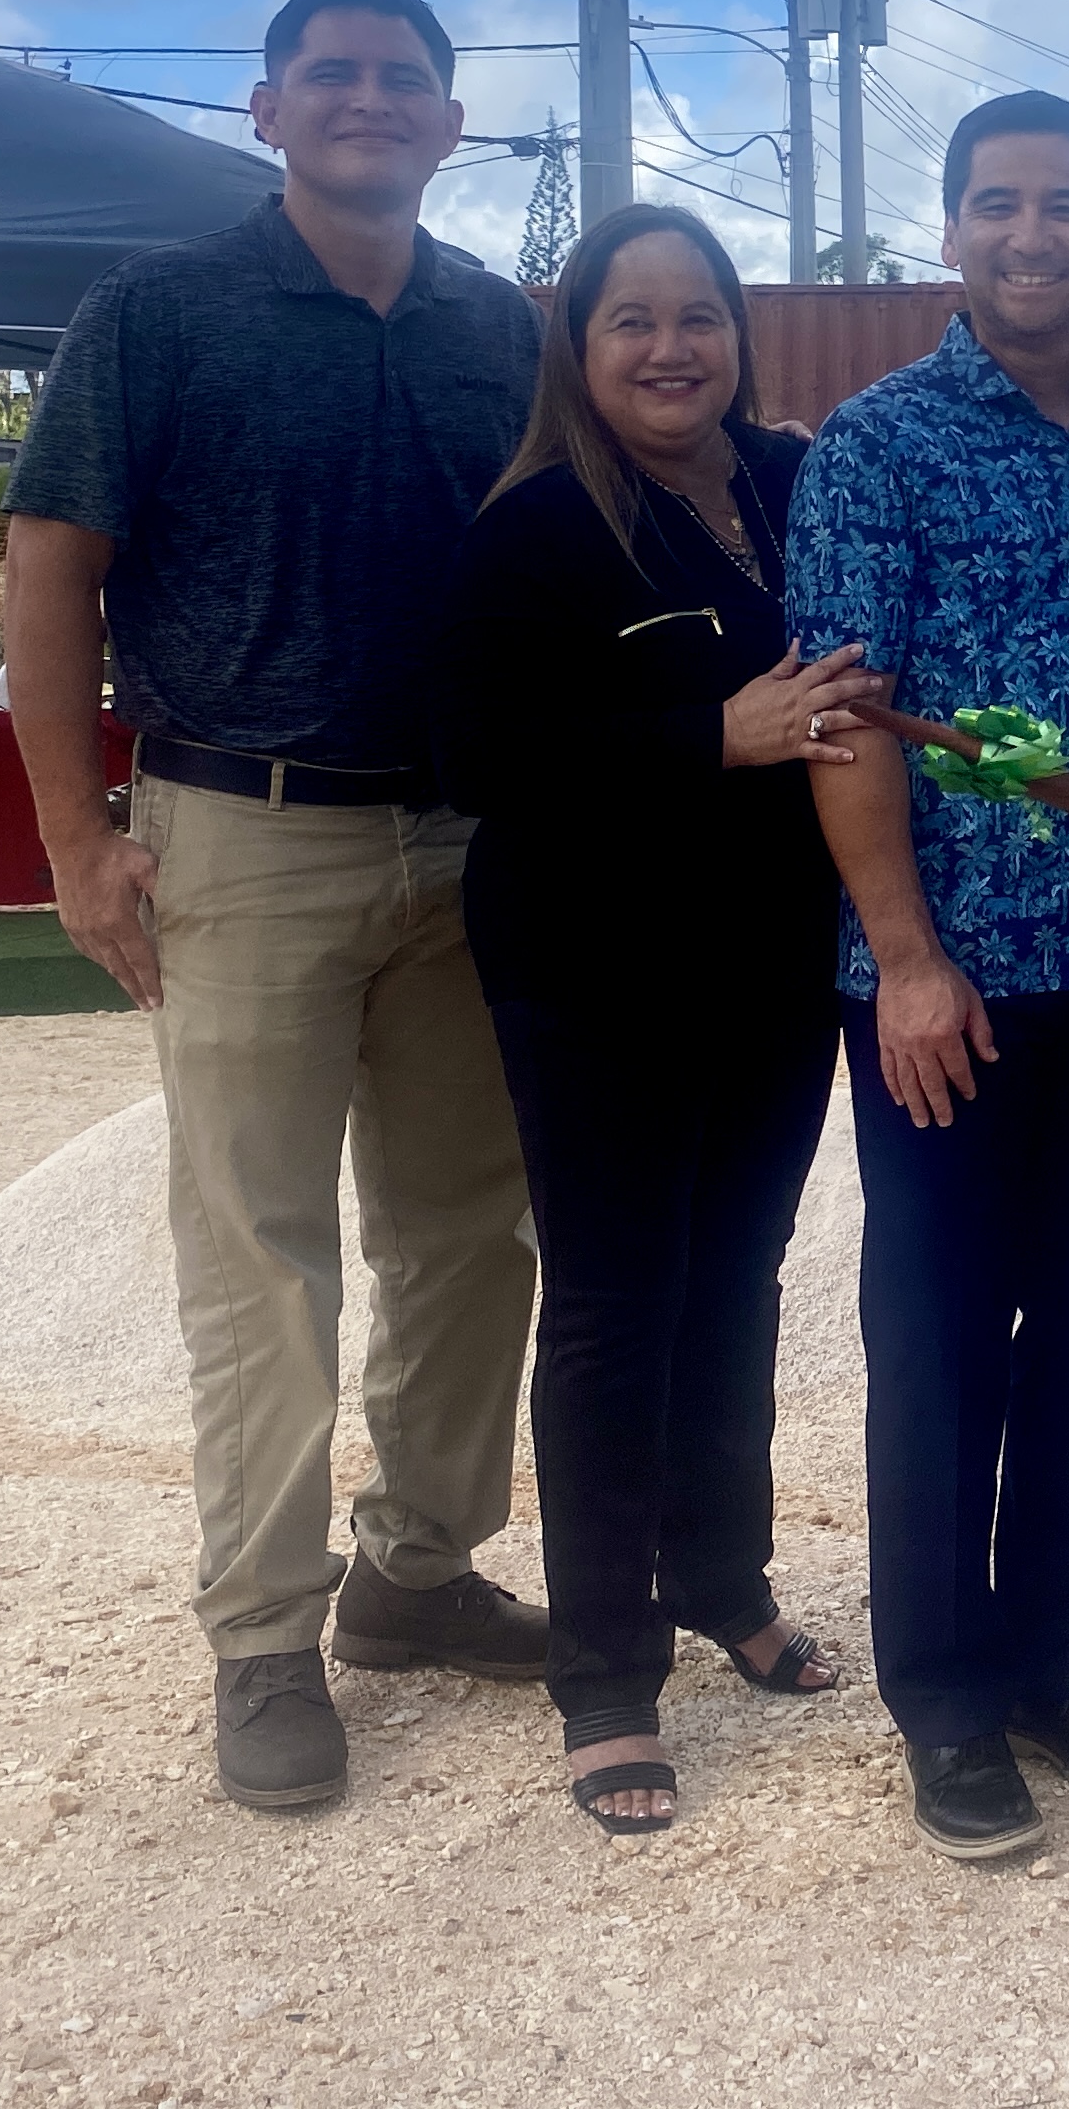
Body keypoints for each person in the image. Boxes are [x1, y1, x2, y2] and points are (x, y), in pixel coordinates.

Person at [3, 0, 550, 1812]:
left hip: (471, 842)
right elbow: (50, 585)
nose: (370, 101)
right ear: (266, 108)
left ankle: (416, 1569)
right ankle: (261, 1637)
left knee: (472, 1237)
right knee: (260, 1254)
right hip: (245, 831)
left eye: (405, 81)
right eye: (335, 76)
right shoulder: (155, 316)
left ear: (453, 127)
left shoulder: (502, 327)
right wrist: (81, 839)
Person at [784, 89, 1069, 1865]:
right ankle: (947, 1704)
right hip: (948, 984)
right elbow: (842, 719)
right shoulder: (875, 447)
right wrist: (904, 957)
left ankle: (1065, 1666)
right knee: (945, 1343)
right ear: (949, 232)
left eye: (1064, 205)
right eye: (996, 204)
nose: (1030, 234)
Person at [437, 205, 880, 1834]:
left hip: (770, 956)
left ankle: (720, 1572)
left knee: (738, 1281)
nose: (672, 347)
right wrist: (714, 736)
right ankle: (606, 1672)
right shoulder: (537, 526)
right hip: (596, 965)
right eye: (633, 320)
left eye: (700, 316)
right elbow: (480, 760)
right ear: (580, 345)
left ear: (740, 336)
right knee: (619, 1304)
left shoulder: (785, 479)